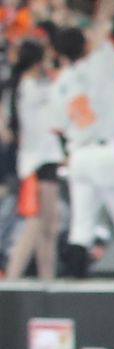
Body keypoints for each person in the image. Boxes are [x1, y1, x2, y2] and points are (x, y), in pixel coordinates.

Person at [49, 0, 114, 253]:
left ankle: (75, 273)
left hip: (79, 155)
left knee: (82, 227)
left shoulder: (60, 82)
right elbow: (103, 26)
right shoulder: (101, 62)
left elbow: (57, 125)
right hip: (107, 150)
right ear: (85, 45)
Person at [4, 39, 63, 280]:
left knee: (46, 225)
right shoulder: (36, 88)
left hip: (32, 160)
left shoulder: (17, 87)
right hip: (40, 161)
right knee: (37, 223)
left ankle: (45, 278)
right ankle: (13, 277)